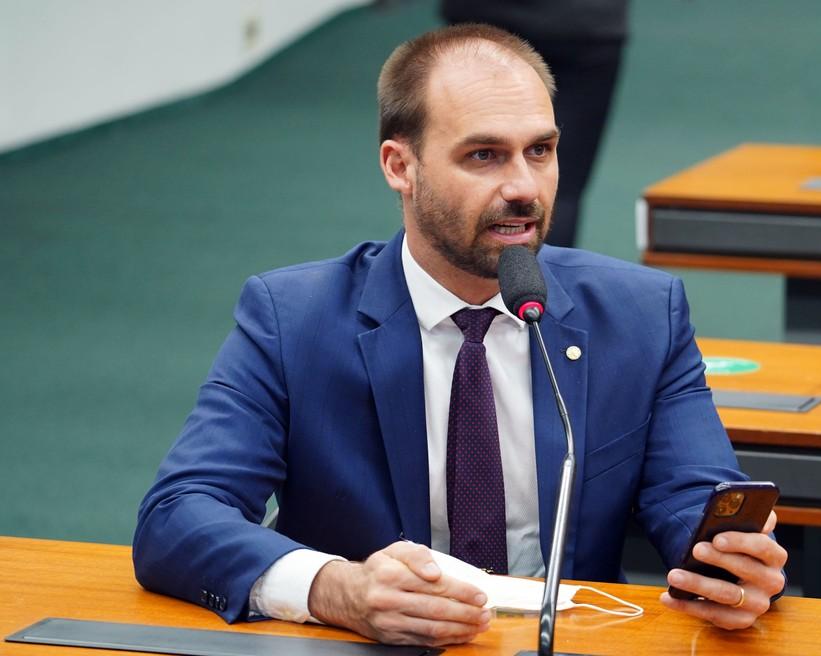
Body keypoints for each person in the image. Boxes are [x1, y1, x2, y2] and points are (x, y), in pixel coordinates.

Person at [133, 24, 786, 647]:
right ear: (400, 166)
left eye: (541, 150)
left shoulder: (641, 312)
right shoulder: (293, 318)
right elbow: (179, 514)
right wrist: (337, 589)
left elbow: (693, 498)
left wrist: (728, 565)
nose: (524, 187)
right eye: (484, 155)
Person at [441, 1, 628, 248]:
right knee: (562, 188)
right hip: (585, 23)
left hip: (486, 16)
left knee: (473, 163)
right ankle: (543, 284)